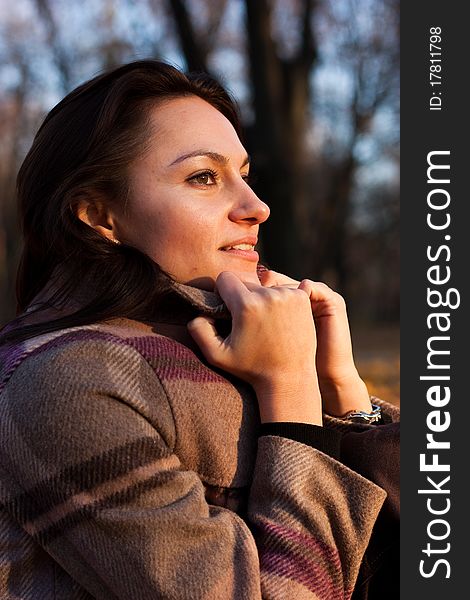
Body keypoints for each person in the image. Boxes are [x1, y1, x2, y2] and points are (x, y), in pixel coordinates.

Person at [0, 60, 399, 599]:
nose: (256, 207)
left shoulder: (229, 349)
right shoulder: (66, 381)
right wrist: (290, 393)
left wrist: (342, 395)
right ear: (99, 214)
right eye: (204, 177)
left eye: (244, 174)